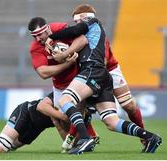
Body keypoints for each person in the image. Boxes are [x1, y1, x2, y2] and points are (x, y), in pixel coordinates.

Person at [46, 4, 162, 155]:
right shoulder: (91, 32)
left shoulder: (92, 23)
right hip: (102, 75)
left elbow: (76, 30)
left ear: (84, 18)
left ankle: (85, 139)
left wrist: (52, 36)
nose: (76, 24)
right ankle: (150, 137)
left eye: (77, 21)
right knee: (111, 122)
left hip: (92, 70)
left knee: (64, 101)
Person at [27, 17, 99, 152]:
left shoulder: (60, 28)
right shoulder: (35, 48)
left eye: (39, 34)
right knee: (64, 119)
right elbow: (43, 73)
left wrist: (66, 53)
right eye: (34, 36)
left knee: (77, 112)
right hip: (59, 85)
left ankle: (86, 137)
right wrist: (67, 63)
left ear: (47, 28)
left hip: (79, 79)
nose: (37, 39)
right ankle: (86, 132)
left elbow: (83, 40)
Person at [0, 93, 68, 153]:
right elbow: (41, 106)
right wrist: (64, 118)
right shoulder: (63, 95)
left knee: (10, 147)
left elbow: (67, 141)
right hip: (26, 113)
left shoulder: (77, 111)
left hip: (37, 127)